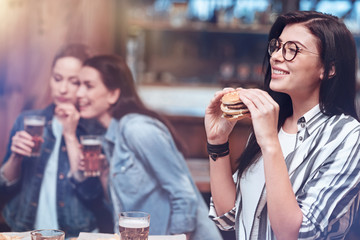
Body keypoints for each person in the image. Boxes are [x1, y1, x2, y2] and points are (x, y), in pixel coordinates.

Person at [205, 11, 360, 240]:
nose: (276, 56)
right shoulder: (272, 123)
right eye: (277, 46)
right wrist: (217, 143)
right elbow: (229, 216)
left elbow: (295, 233)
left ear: (328, 69)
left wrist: (269, 143)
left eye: (292, 49)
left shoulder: (347, 137)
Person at [75, 54, 222, 240]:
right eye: (78, 85)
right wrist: (104, 170)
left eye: (88, 86)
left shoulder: (137, 129)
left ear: (113, 94)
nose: (79, 93)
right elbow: (121, 205)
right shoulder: (111, 137)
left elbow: (183, 194)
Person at [0, 44, 111, 238]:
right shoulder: (27, 121)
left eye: (74, 82)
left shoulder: (96, 131)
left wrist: (70, 134)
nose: (63, 89)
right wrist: (15, 158)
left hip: (75, 235)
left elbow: (92, 195)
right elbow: (3, 191)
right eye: (57, 79)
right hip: (26, 231)